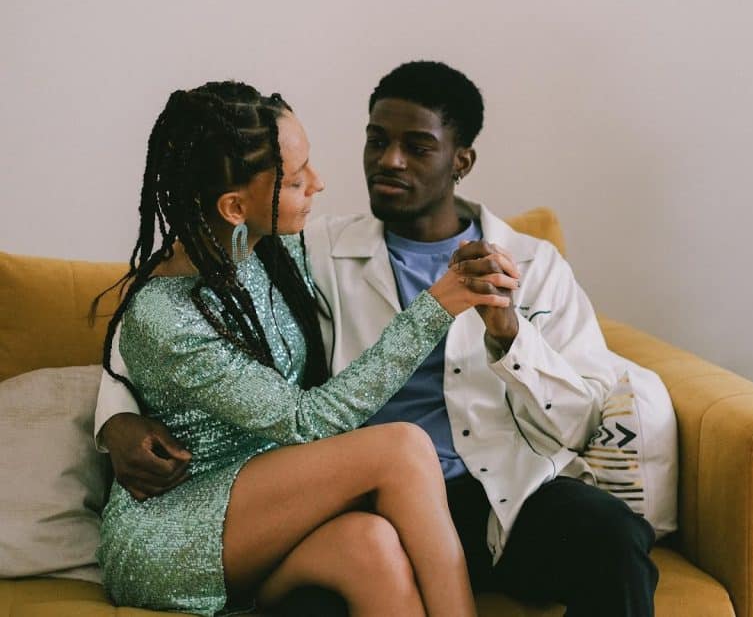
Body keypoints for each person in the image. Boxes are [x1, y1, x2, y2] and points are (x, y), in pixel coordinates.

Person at [97, 63, 659, 616]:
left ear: (461, 161)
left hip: (495, 490)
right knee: (378, 505)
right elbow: (150, 332)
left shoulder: (536, 264)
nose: (388, 162)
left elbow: (584, 416)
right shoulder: (310, 245)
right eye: (376, 141)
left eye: (417, 147)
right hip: (350, 494)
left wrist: (510, 334)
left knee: (612, 539)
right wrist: (114, 422)